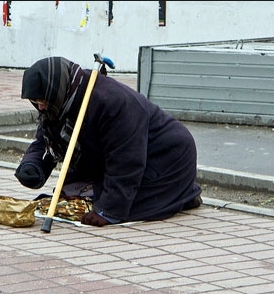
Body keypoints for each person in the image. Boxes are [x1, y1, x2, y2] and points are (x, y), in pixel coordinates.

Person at [15, 56, 202, 227]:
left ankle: (182, 194)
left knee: (133, 201)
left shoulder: (112, 102)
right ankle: (179, 195)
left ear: (56, 90)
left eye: (43, 101)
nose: (41, 106)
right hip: (123, 156)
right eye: (35, 101)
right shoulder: (58, 102)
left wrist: (108, 211)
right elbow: (46, 139)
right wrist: (32, 165)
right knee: (75, 195)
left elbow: (126, 160)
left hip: (168, 156)